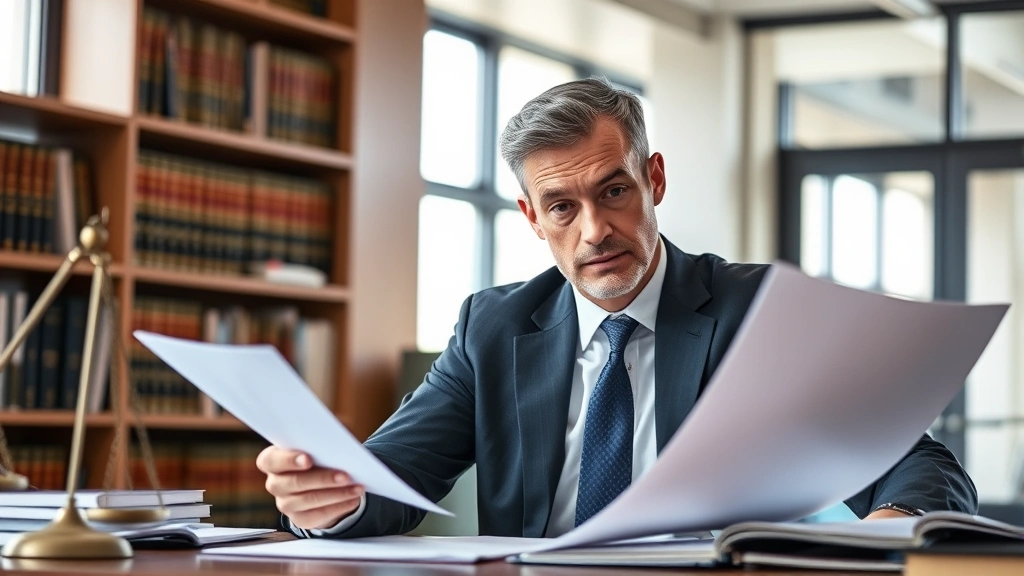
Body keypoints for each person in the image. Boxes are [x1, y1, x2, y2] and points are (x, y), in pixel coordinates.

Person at [256, 78, 977, 539]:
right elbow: (388, 479)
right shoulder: (493, 328)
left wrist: (892, 526)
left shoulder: (758, 309)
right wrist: (331, 497)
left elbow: (920, 463)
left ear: (653, 179)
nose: (594, 230)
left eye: (614, 191)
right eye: (562, 207)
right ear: (532, 219)